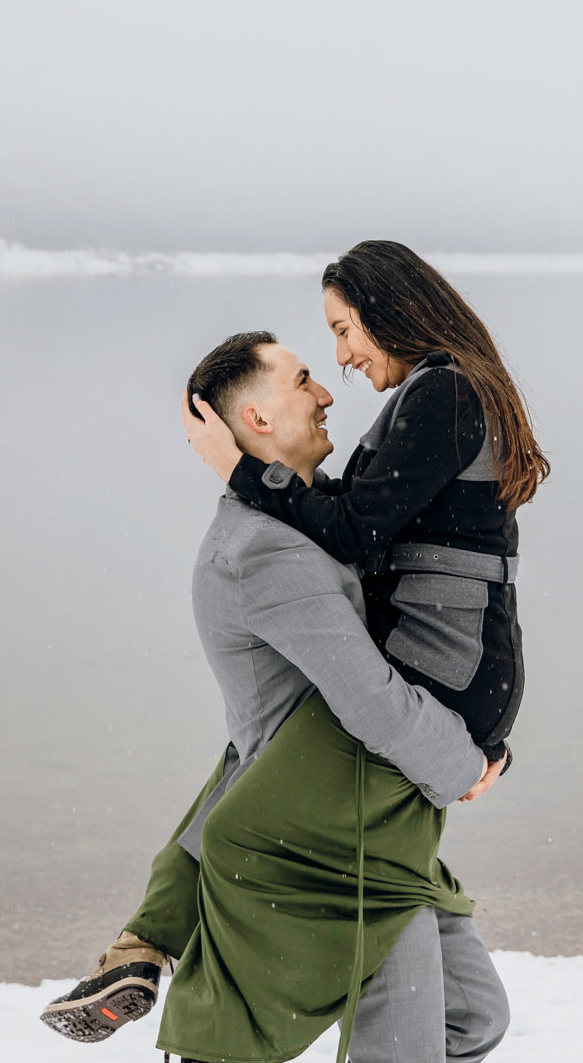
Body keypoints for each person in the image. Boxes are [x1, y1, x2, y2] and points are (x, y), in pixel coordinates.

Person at [41, 331, 510, 1063]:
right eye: (303, 379)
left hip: (365, 814)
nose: (327, 391)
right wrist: (470, 760)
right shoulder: (266, 554)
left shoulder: (292, 521)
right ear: (256, 414)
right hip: (339, 844)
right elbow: (368, 699)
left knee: (472, 1018)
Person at [183, 239, 546, 766]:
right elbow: (357, 509)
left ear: (387, 311)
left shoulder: (445, 393)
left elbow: (352, 528)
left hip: (451, 674)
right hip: (468, 672)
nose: (343, 357)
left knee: (259, 790)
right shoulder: (442, 389)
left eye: (343, 330)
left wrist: (239, 469)